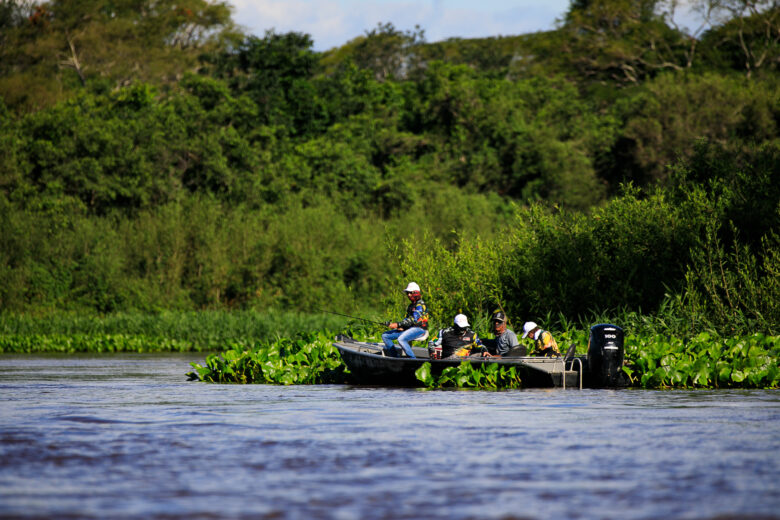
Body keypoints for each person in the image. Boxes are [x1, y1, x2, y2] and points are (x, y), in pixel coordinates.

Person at [381, 282, 429, 358]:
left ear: (416, 293)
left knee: (401, 339)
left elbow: (413, 319)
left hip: (419, 329)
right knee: (385, 335)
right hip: (409, 329)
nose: (408, 295)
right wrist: (402, 327)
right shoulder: (411, 305)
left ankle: (413, 360)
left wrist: (398, 324)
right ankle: (395, 357)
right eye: (407, 293)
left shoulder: (421, 305)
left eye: (410, 293)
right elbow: (406, 319)